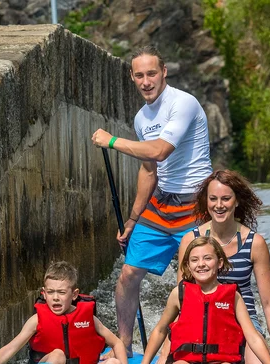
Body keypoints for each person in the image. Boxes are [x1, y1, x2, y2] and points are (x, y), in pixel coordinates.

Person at [91, 45, 212, 357]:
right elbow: (149, 170)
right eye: (140, 75)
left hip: (197, 204)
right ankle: (125, 346)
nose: (146, 81)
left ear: (164, 73)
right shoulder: (142, 118)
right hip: (162, 205)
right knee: (128, 274)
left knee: (190, 281)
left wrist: (113, 141)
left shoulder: (183, 103)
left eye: (152, 74)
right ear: (132, 77)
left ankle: (180, 345)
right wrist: (132, 220)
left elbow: (159, 151)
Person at [160, 170, 270, 364]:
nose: (219, 205)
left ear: (236, 201)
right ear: (206, 201)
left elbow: (269, 304)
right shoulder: (190, 241)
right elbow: (183, 299)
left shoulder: (255, 243)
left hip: (243, 323)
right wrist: (165, 349)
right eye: (213, 199)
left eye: (226, 198)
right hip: (199, 321)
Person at [141, 237, 270, 364]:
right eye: (194, 260)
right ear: (188, 265)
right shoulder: (179, 293)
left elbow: (252, 336)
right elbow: (160, 330)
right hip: (187, 360)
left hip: (222, 360)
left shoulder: (233, 296)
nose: (201, 264)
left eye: (207, 258)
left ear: (220, 263)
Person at [0, 261, 128, 364]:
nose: (55, 298)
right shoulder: (36, 320)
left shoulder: (89, 318)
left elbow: (117, 343)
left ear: (74, 294)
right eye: (50, 292)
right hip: (52, 361)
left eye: (61, 292)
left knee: (113, 363)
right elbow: (9, 349)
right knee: (57, 356)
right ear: (44, 293)